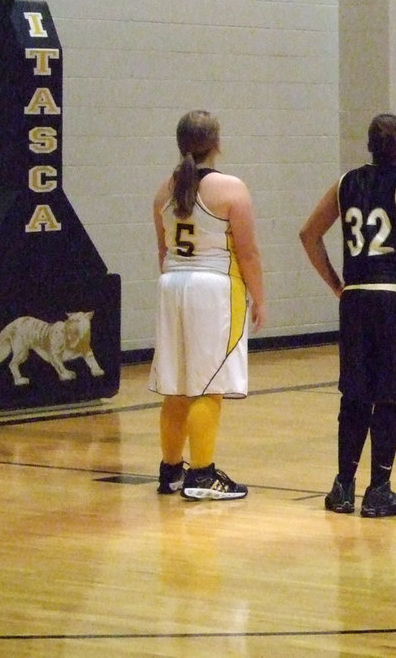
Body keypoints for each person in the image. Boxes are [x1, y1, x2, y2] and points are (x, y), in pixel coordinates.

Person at [299, 113, 396, 518]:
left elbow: (308, 234)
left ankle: (342, 487)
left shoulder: (346, 184)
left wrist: (337, 284)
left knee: (356, 394)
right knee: (393, 395)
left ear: (369, 146)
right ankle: (379, 489)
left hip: (357, 298)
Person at [150, 110, 266, 501]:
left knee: (177, 385)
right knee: (208, 384)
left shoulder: (163, 191)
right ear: (216, 144)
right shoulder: (230, 188)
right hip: (212, 287)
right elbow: (248, 253)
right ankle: (202, 474)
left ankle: (170, 471)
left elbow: (162, 251)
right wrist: (260, 300)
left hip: (172, 283)